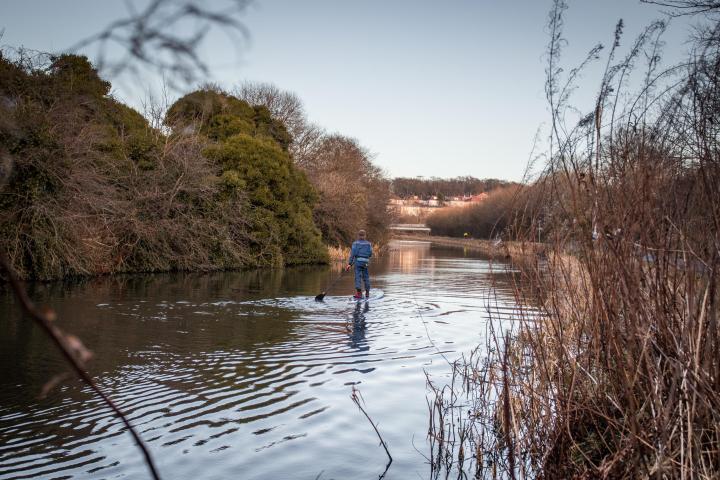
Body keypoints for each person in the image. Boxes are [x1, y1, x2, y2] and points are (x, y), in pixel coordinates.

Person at [345, 229, 373, 299]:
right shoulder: (368, 244)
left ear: (358, 235)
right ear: (365, 236)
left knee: (358, 277)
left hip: (358, 262)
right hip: (365, 263)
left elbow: (353, 254)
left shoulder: (355, 243)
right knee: (366, 277)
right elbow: (370, 254)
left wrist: (349, 264)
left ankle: (359, 293)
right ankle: (367, 293)